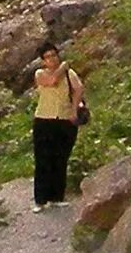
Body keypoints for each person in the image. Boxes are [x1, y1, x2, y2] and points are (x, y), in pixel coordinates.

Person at [30, 45, 88, 208]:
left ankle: (57, 196)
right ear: (43, 61)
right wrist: (63, 66)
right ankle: (40, 199)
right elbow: (52, 81)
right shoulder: (40, 74)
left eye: (54, 55)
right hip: (44, 118)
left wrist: (74, 109)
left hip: (64, 118)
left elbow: (79, 88)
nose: (52, 59)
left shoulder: (70, 74)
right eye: (48, 57)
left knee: (61, 158)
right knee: (43, 159)